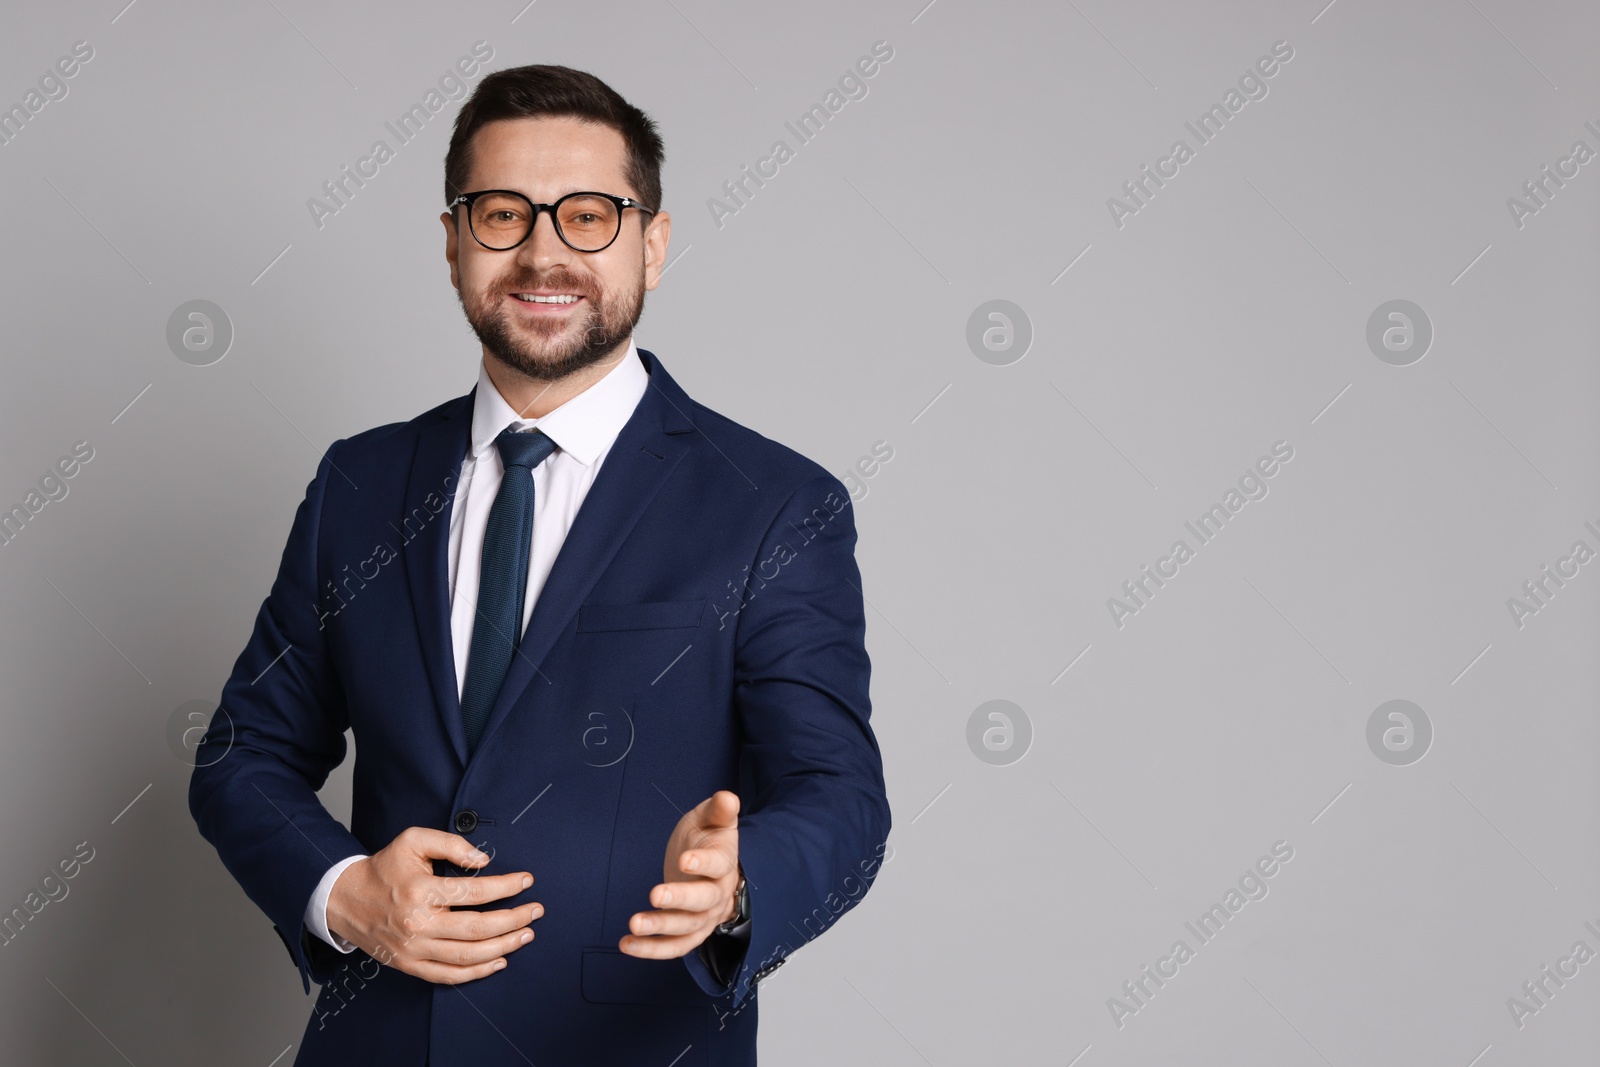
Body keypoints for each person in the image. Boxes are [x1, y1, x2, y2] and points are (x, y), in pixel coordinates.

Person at [188, 64, 891, 1066]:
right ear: (451, 243)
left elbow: (841, 796)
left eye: (589, 215)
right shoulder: (360, 482)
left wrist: (742, 883)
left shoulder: (772, 503)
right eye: (502, 214)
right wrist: (341, 891)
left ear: (652, 241)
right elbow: (242, 755)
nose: (543, 251)